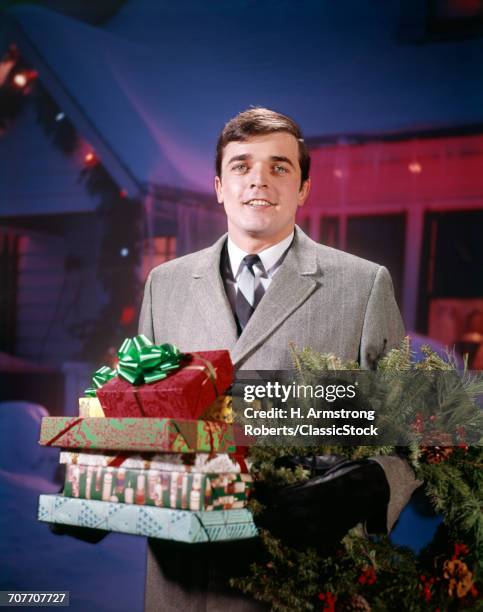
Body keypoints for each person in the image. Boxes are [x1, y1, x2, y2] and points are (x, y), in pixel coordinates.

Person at [139, 107, 420, 611]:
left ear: (304, 187)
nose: (259, 181)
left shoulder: (362, 286)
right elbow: (143, 415)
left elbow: (411, 433)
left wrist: (372, 483)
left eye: (279, 166)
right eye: (242, 166)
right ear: (219, 186)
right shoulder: (166, 285)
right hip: (182, 579)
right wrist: (107, 489)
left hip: (303, 579)